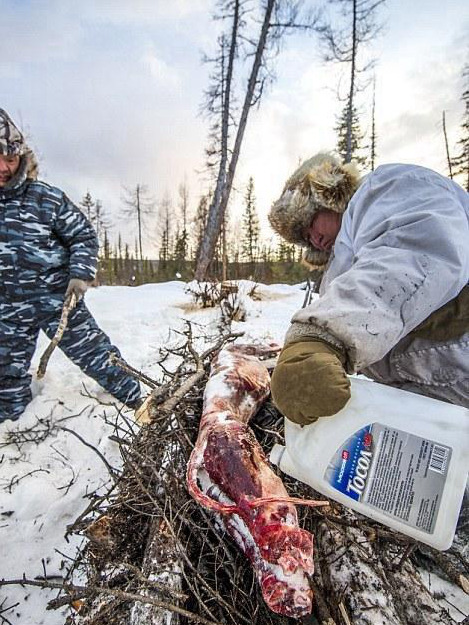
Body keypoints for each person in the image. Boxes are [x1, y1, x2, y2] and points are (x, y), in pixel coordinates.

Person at [268, 153, 469, 425]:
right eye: (305, 237)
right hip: (445, 388)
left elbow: (409, 257)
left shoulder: (385, 188)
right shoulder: (342, 263)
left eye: (310, 222)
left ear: (328, 194)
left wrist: (323, 336)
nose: (313, 238)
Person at [0, 108, 141, 423]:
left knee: (99, 357)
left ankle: (144, 405)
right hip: (6, 311)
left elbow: (84, 237)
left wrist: (79, 276)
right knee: (5, 379)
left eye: (10, 159)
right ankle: (15, 437)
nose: (4, 167)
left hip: (57, 299)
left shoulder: (45, 198)